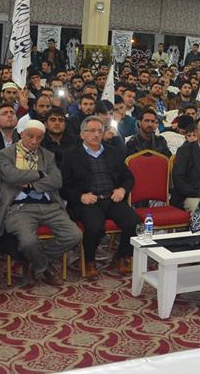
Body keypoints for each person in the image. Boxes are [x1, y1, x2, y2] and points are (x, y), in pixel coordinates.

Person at [0, 120, 81, 286]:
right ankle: (44, 267)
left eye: (39, 138)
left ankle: (34, 258)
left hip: (49, 205)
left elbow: (56, 181)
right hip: (19, 207)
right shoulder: (5, 154)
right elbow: (11, 176)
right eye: (30, 136)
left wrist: (29, 183)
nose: (34, 141)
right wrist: (41, 174)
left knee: (74, 235)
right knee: (28, 242)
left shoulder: (47, 155)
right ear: (21, 134)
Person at [60, 116, 138, 278]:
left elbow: (128, 178)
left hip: (112, 198)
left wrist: (122, 189)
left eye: (100, 131)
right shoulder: (71, 155)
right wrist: (80, 196)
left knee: (133, 221)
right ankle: (89, 260)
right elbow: (63, 186)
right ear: (82, 134)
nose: (96, 134)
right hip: (88, 201)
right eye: (92, 131)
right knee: (95, 226)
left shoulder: (114, 152)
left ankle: (121, 256)